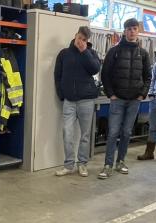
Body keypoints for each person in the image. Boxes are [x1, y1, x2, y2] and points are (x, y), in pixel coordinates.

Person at [98, 18, 152, 180]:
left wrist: (142, 94)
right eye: (129, 29)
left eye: (134, 28)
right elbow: (105, 74)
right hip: (118, 99)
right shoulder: (114, 51)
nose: (132, 31)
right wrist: (111, 94)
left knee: (127, 132)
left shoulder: (143, 54)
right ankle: (108, 165)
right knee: (113, 132)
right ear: (124, 31)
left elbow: (148, 76)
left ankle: (120, 161)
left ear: (138, 31)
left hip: (134, 100)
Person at [54, 26, 102, 177]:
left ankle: (82, 164)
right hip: (69, 101)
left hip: (86, 101)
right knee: (67, 133)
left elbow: (95, 69)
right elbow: (57, 75)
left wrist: (84, 52)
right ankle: (68, 165)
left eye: (84, 40)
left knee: (85, 135)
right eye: (79, 38)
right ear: (75, 35)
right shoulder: (64, 54)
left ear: (87, 41)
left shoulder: (91, 53)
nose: (81, 41)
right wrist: (62, 94)